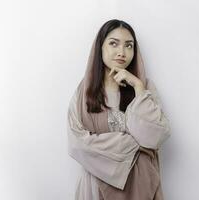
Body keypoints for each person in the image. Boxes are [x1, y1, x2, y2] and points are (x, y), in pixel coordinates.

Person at [66, 19, 171, 200]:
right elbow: (77, 144)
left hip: (140, 185)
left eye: (129, 46)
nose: (122, 52)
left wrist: (137, 87)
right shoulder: (84, 92)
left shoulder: (145, 88)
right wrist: (134, 144)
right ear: (100, 47)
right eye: (114, 43)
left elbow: (155, 137)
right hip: (95, 185)